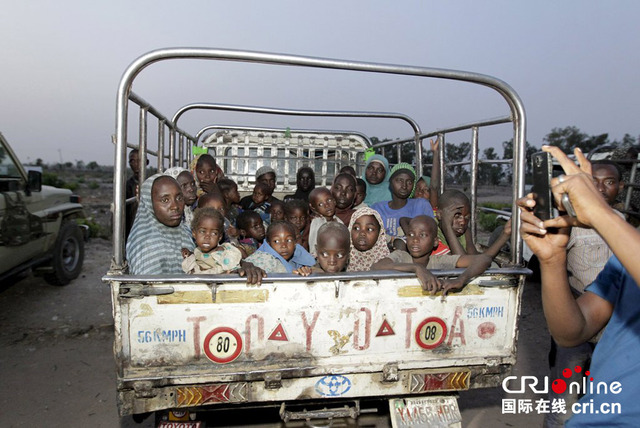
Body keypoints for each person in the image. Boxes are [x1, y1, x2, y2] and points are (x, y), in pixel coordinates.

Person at [519, 145, 640, 427]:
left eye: (608, 182)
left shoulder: (617, 227)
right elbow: (572, 332)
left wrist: (599, 213)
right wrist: (553, 259)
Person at [544, 159, 625, 428]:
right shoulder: (568, 224)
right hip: (579, 318)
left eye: (609, 182)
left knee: (606, 401)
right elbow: (553, 272)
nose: (601, 188)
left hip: (615, 328)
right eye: (594, 182)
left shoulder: (622, 224)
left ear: (620, 187)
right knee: (563, 404)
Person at [372, 215, 493, 295]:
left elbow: (484, 259)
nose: (415, 240)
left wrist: (462, 279)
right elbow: (377, 267)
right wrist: (417, 268)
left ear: (435, 242)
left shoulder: (439, 261)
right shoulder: (401, 256)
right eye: (411, 234)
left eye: (423, 235)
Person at [126, 174, 192, 275]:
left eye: (179, 198)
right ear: (149, 203)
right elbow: (150, 289)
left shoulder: (184, 231)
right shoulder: (146, 246)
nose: (175, 206)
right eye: (165, 200)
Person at [371, 163, 434, 247]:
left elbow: (430, 235)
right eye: (399, 180)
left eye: (409, 182)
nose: (404, 186)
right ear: (390, 182)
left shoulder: (421, 205)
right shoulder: (377, 208)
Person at [181, 208, 243, 274]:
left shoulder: (224, 253)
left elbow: (231, 270)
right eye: (202, 231)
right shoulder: (196, 252)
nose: (207, 237)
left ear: (220, 237)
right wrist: (189, 255)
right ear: (194, 234)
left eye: (214, 233)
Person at [245, 221, 315, 275]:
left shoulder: (297, 252)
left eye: (289, 240)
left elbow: (315, 267)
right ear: (268, 243)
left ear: (295, 242)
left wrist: (307, 270)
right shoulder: (264, 261)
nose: (284, 245)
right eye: (277, 241)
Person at [346, 207, 390, 272]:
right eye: (356, 228)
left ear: (380, 233)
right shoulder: (341, 259)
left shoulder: (387, 262)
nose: (362, 233)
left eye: (370, 229)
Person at [307, 187, 343, 255]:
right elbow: (313, 247)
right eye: (320, 204)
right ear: (313, 208)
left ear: (334, 201)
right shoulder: (317, 223)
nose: (327, 205)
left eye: (329, 200)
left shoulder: (339, 221)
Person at [125, 149, 148, 242]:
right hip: (131, 229)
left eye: (139, 160)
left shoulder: (153, 183)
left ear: (146, 162)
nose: (135, 164)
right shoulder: (127, 185)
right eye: (132, 161)